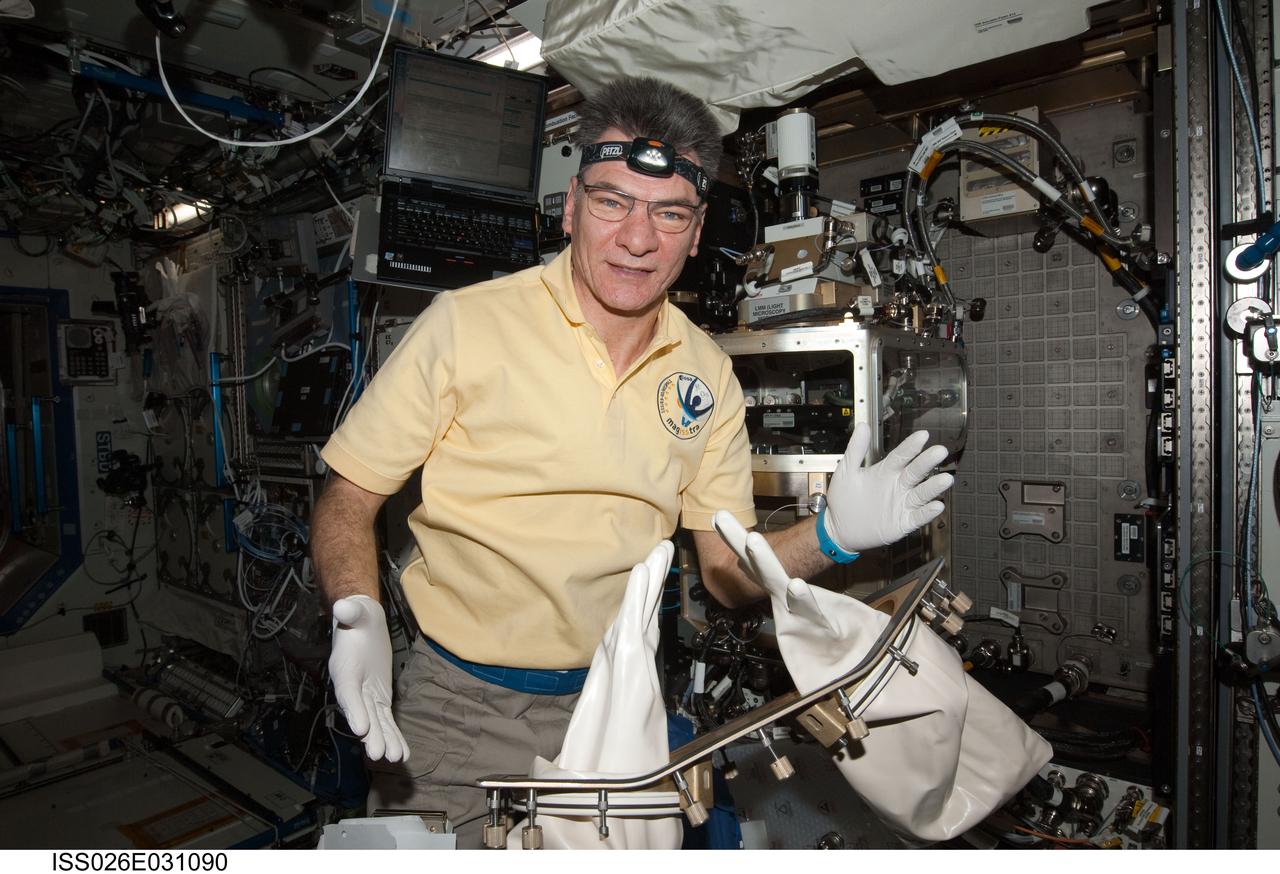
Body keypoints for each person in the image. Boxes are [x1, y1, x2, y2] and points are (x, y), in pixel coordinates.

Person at [310, 75, 953, 848]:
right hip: (458, 708)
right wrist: (358, 610)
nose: (638, 239)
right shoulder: (465, 327)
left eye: (668, 213)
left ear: (696, 227)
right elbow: (349, 494)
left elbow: (724, 569)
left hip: (621, 700)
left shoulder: (707, 373)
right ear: (573, 207)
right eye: (613, 202)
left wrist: (833, 535)